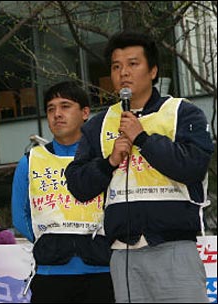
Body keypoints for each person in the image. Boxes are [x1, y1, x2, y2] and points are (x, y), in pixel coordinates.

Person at [65, 30, 213, 303]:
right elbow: (77, 185)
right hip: (123, 254)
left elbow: (193, 166)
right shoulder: (98, 124)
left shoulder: (183, 112)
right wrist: (109, 162)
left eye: (133, 64)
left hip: (174, 248)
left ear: (153, 70)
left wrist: (142, 138)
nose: (123, 73)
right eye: (116, 66)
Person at [12, 81, 114, 303]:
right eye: (51, 109)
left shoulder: (106, 158)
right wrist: (52, 241)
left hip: (102, 272)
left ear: (85, 112)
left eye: (65, 106)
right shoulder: (30, 161)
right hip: (51, 274)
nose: (57, 114)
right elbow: (20, 217)